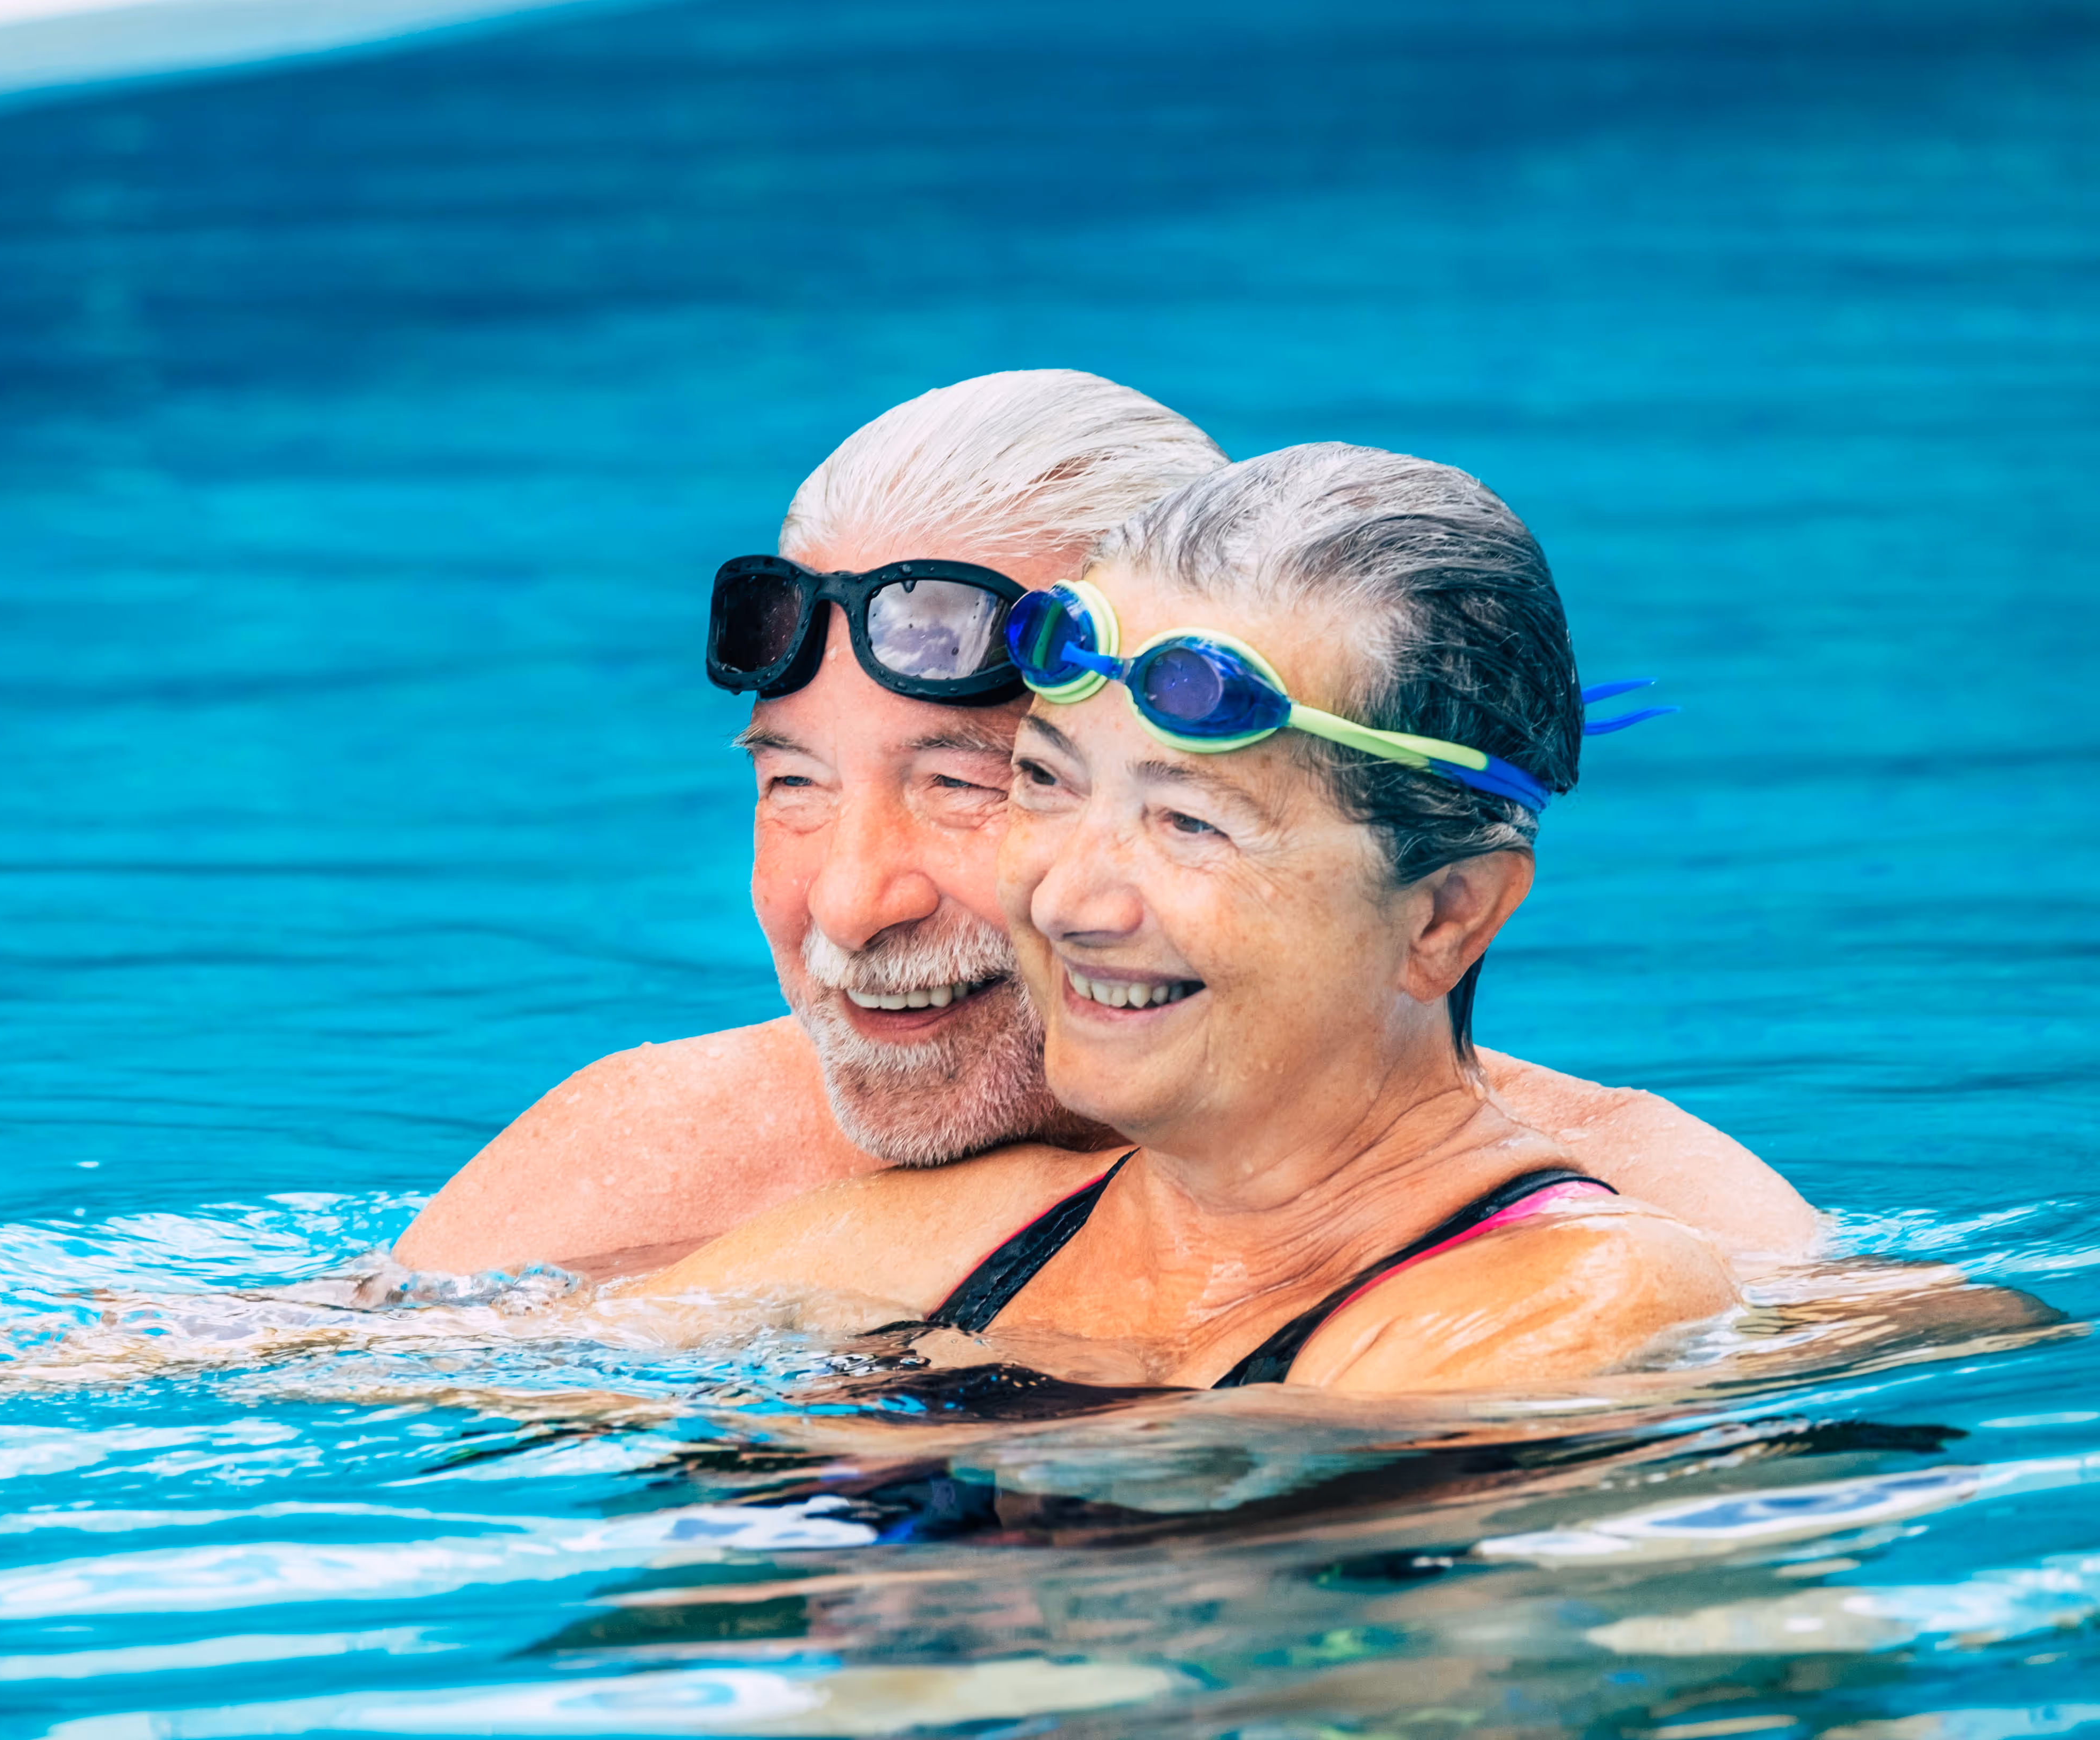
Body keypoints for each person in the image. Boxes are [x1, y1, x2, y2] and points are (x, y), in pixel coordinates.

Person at [396, 374, 1818, 1277]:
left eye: (975, 784)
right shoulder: (658, 1157)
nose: (848, 905)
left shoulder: (1636, 1233)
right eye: (794, 788)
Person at [637, 445, 1742, 1392]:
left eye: (1189, 823)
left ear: (1447, 917)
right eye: (1044, 781)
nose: (1068, 902)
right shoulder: (923, 1240)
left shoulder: (1583, 1298)